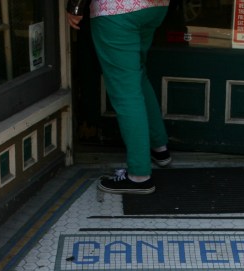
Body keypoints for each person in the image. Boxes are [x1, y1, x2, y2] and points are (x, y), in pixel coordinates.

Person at [66, 0, 171, 195]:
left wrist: (76, 6)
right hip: (156, 7)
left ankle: (139, 176)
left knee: (126, 91)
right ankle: (159, 148)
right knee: (137, 75)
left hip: (116, 11)